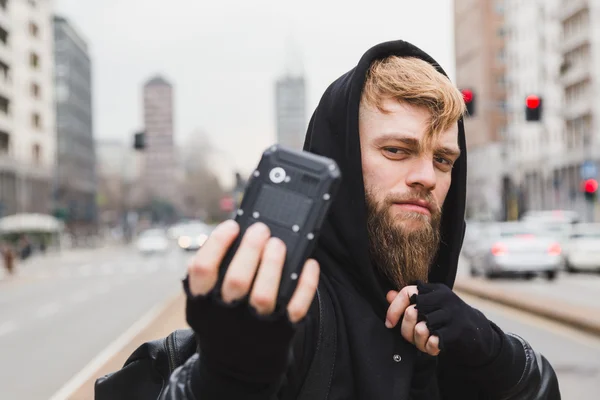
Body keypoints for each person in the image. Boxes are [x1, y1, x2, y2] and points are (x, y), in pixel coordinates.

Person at [96, 40, 560, 399]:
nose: (426, 177)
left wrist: (495, 354)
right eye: (396, 151)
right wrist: (221, 377)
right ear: (340, 160)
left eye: (442, 160)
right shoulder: (287, 314)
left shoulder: (447, 324)